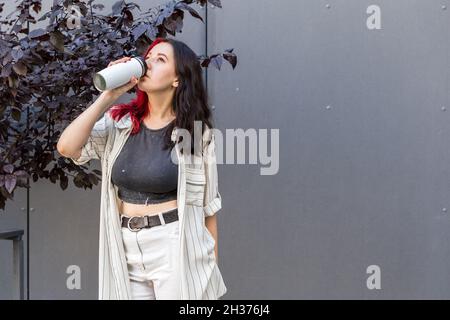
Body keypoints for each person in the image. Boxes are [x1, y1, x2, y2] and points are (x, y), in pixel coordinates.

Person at [57, 37, 227, 300]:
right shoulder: (121, 123)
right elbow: (67, 147)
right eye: (148, 57)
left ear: (177, 79)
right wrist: (108, 96)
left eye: (160, 60)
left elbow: (209, 209)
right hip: (124, 244)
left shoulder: (195, 135)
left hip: (174, 245)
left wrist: (209, 268)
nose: (148, 64)